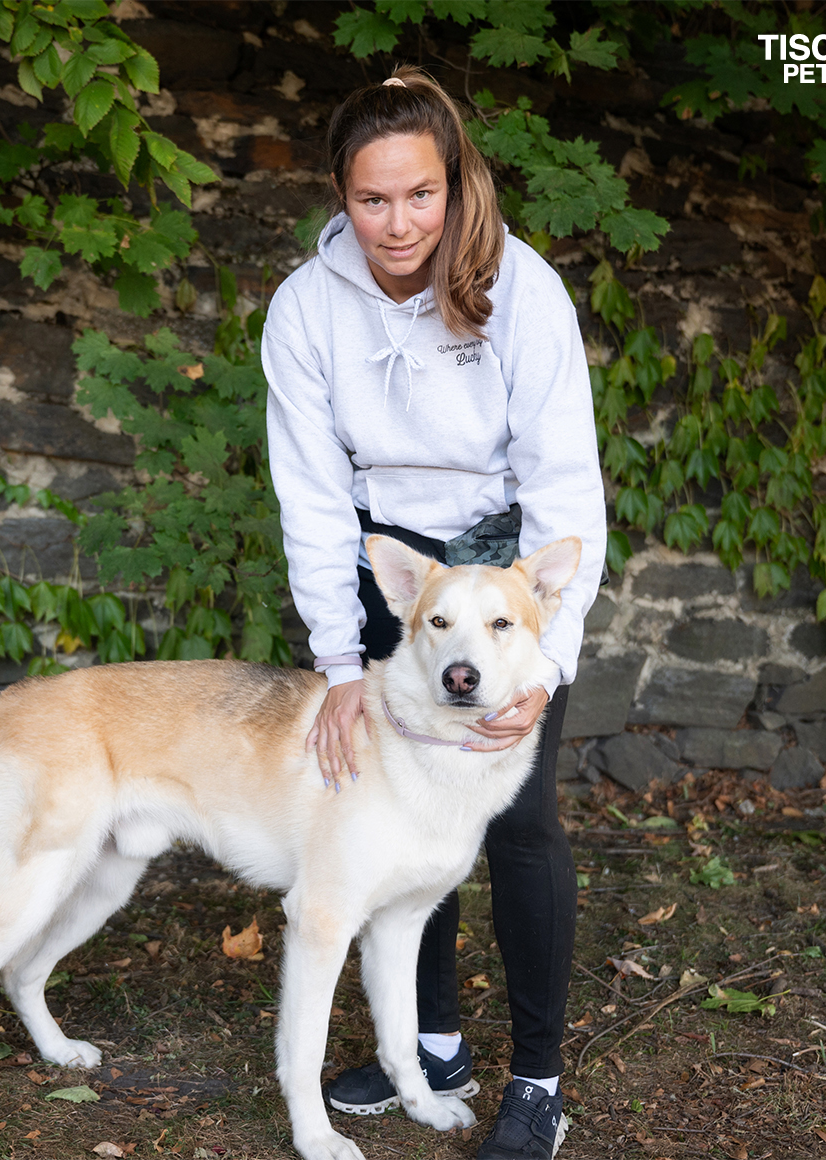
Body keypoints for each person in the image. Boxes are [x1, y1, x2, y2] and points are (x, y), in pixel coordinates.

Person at [262, 66, 607, 1160]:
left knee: (518, 817)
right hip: (394, 567)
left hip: (509, 574)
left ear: (453, 186)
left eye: (420, 194)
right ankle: (437, 1040)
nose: (398, 222)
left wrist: (545, 657)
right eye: (372, 199)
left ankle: (538, 1078)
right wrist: (339, 660)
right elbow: (312, 492)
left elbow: (566, 483)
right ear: (339, 195)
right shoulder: (306, 307)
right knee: (403, 805)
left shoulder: (523, 289)